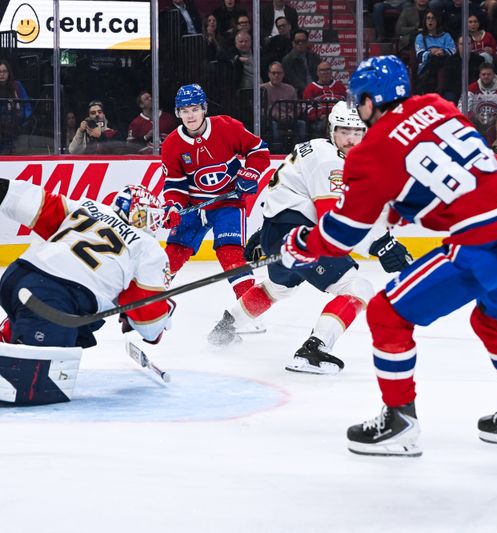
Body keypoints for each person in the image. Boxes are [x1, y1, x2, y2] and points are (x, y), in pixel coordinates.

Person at [281, 55, 497, 456]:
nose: (359, 111)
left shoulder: (368, 152)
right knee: (496, 323)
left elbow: (341, 235)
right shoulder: (438, 105)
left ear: (371, 101)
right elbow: (450, 167)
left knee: (386, 313)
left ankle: (399, 422)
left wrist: (300, 246)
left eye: (360, 102)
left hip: (486, 241)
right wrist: (399, 206)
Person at [0, 135, 175, 404]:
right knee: (37, 384)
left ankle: (4, 338)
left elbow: (35, 203)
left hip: (19, 277)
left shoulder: (88, 207)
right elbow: (148, 322)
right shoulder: (148, 247)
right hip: (55, 297)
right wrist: (161, 315)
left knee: (82, 324)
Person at [208, 102, 411, 374]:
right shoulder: (331, 161)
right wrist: (380, 245)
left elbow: (288, 190)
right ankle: (313, 351)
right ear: (332, 130)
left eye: (357, 132)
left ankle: (225, 329)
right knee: (357, 288)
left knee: (278, 288)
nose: (350, 139)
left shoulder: (314, 147)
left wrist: (266, 233)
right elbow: (334, 222)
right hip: (298, 235)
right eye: (343, 131)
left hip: (279, 230)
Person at [160, 84, 270, 314]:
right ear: (178, 113)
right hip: (193, 206)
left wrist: (251, 172)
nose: (190, 115)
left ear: (204, 109)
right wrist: (173, 206)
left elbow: (258, 150)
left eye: (194, 109)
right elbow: (175, 185)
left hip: (227, 203)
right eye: (184, 110)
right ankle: (151, 305)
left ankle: (251, 311)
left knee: (229, 252)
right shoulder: (171, 144)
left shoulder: (226, 126)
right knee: (173, 254)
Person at [0, 60, 32, 155]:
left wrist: (22, 117)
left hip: (15, 123)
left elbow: (26, 106)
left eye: (5, 71)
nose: (2, 74)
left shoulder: (17, 86)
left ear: (9, 73)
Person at [302, 61, 347, 139]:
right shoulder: (310, 88)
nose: (325, 73)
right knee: (323, 125)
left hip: (340, 118)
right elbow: (307, 108)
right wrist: (320, 115)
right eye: (322, 70)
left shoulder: (340, 86)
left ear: (331, 72)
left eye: (327, 70)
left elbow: (346, 103)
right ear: (317, 73)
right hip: (320, 120)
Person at [414, 10, 455, 94]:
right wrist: (431, 53)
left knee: (439, 59)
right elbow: (419, 54)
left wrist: (442, 51)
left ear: (437, 21)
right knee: (434, 59)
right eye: (428, 18)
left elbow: (453, 50)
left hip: (444, 63)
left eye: (433, 18)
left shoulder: (446, 36)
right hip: (426, 66)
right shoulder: (420, 37)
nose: (430, 21)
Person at [281, 30, 321, 96]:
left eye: (303, 41)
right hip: (299, 93)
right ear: (293, 44)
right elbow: (293, 80)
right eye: (297, 42)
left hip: (317, 90)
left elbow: (319, 76)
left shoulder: (315, 57)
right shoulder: (287, 60)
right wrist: (309, 90)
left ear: (307, 43)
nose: (300, 44)